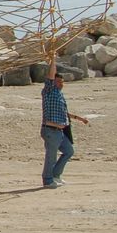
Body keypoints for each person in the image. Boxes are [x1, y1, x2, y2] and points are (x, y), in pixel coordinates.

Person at [41, 53, 89, 188]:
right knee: (51, 157)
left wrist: (78, 118)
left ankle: (56, 175)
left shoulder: (59, 95)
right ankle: (47, 180)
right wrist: (53, 59)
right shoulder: (49, 91)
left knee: (69, 151)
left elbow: (63, 112)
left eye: (62, 82)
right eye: (58, 82)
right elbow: (51, 75)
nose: (61, 84)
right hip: (51, 130)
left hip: (60, 131)